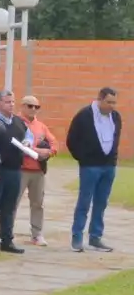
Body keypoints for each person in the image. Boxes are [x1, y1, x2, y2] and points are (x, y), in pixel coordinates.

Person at [67, 87, 122, 253]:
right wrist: (83, 158)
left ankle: (95, 236)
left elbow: (115, 138)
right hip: (90, 166)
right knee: (84, 201)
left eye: (114, 102)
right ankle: (77, 236)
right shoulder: (84, 115)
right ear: (100, 99)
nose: (112, 106)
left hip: (108, 166)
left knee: (101, 202)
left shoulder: (116, 117)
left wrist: (112, 158)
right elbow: (71, 140)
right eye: (109, 102)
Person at [0, 90, 31, 255]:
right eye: (7, 102)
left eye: (13, 102)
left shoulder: (19, 121)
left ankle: (7, 240)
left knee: (9, 207)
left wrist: (28, 142)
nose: (11, 105)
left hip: (14, 169)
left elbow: (28, 136)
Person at [18, 95, 59, 247]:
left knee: (37, 203)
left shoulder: (41, 126)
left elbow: (54, 143)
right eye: (30, 106)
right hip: (20, 169)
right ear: (22, 106)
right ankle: (6, 232)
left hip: (38, 171)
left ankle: (37, 234)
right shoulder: (17, 123)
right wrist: (35, 150)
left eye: (36, 107)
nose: (33, 109)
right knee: (13, 202)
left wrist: (48, 152)